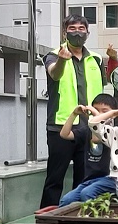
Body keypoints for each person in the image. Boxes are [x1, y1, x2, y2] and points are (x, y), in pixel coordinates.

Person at [41, 15, 107, 208]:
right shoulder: (53, 55)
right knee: (55, 178)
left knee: (84, 178)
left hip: (89, 129)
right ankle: (48, 219)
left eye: (81, 28)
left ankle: (77, 218)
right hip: (61, 126)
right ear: (64, 32)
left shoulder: (95, 59)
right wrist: (62, 60)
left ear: (88, 33)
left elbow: (102, 88)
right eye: (72, 28)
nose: (77, 31)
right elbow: (55, 73)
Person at [57, 93, 118, 207]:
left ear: (113, 114)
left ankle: (94, 223)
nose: (100, 114)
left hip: (110, 179)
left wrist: (96, 115)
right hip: (89, 180)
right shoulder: (87, 130)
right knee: (66, 201)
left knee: (87, 194)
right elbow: (64, 134)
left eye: (104, 111)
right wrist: (74, 114)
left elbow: (97, 138)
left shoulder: (114, 131)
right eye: (96, 110)